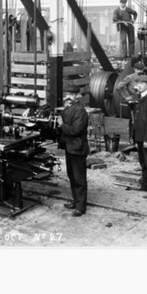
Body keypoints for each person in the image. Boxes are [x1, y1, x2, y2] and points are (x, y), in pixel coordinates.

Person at [58, 88, 90, 217]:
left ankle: (80, 207)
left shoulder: (80, 111)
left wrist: (61, 125)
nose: (68, 97)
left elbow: (75, 130)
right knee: (72, 176)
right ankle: (76, 201)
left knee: (79, 178)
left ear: (78, 96)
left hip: (77, 148)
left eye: (71, 94)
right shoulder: (68, 109)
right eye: (66, 94)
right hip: (70, 147)